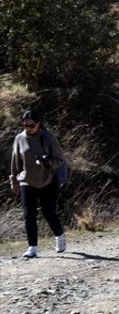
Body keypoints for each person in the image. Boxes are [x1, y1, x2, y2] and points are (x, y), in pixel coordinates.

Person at [9, 110, 68, 259]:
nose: (28, 128)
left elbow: (60, 160)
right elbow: (15, 162)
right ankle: (32, 247)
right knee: (29, 215)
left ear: (39, 124)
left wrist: (47, 163)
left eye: (32, 125)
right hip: (27, 181)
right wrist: (13, 180)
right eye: (25, 125)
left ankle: (59, 236)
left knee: (49, 212)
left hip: (48, 180)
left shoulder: (49, 138)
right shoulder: (19, 139)